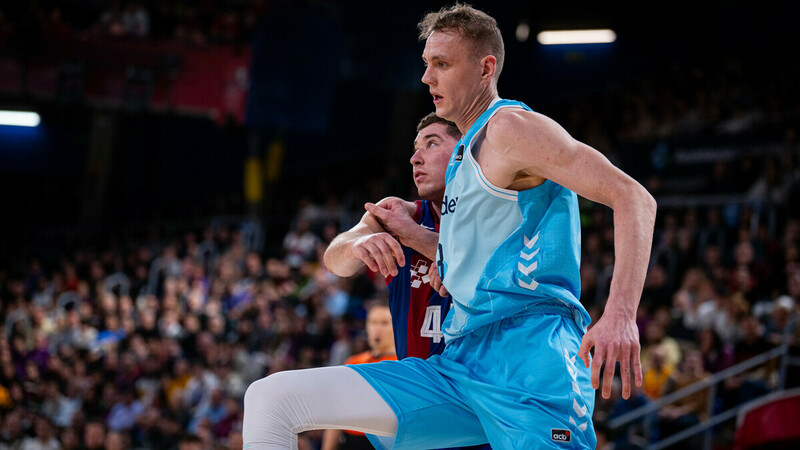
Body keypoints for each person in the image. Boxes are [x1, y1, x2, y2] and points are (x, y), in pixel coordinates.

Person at [243, 4, 656, 449]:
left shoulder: (510, 128)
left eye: (442, 64)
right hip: (458, 365)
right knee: (271, 397)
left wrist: (620, 314)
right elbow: (466, 256)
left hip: (530, 361)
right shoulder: (461, 165)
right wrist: (422, 246)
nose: (427, 77)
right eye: (426, 64)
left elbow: (634, 197)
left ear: (486, 67)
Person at [323, 112, 461, 360]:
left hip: (478, 383)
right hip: (417, 384)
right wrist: (357, 244)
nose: (415, 159)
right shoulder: (398, 213)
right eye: (416, 149)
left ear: (464, 152)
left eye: (431, 144)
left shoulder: (497, 219)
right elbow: (334, 262)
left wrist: (414, 236)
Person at [322, 302, 397, 450]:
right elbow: (337, 413)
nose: (377, 329)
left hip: (387, 441)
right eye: (373, 323)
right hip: (351, 441)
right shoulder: (353, 362)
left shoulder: (402, 365)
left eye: (384, 323)